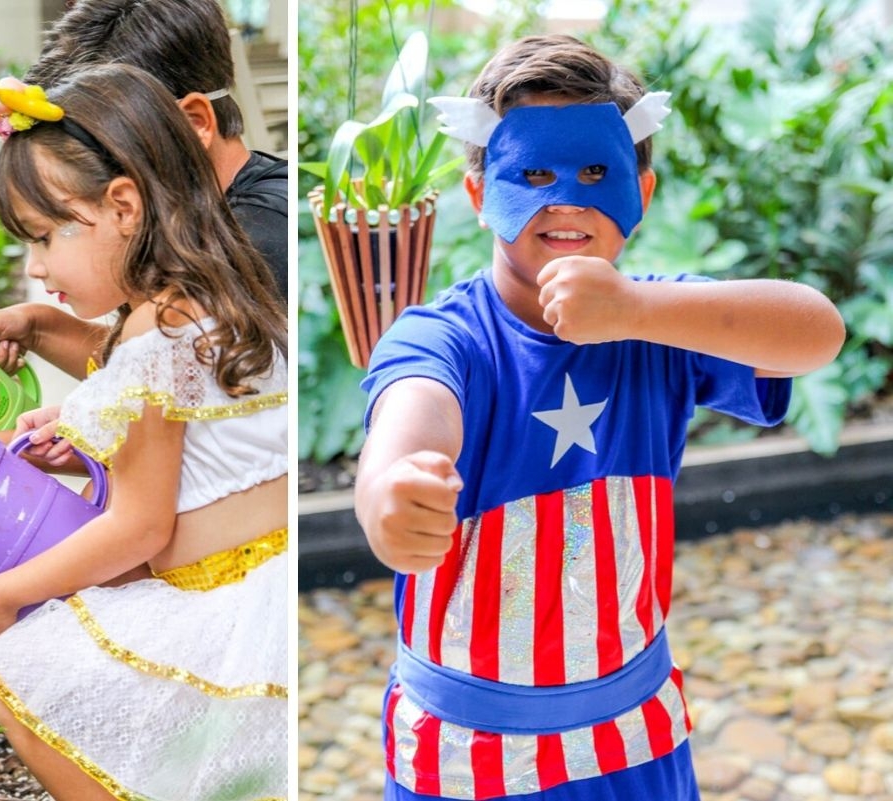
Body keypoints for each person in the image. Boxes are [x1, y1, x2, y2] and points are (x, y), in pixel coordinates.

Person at [353, 34, 844, 800]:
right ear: (479, 195)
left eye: (594, 172)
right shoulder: (445, 339)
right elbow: (407, 421)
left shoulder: (663, 325)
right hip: (468, 760)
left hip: (633, 742)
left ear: (640, 192)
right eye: (532, 173)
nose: (567, 200)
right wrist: (392, 494)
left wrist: (637, 310)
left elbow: (817, 332)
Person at [0, 64, 288, 801]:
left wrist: (1, 594)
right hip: (253, 581)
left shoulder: (156, 335)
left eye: (43, 237)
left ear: (123, 205)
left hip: (233, 602)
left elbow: (138, 526)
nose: (35, 267)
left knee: (25, 670)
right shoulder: (207, 296)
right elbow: (182, 436)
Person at [0, 0, 287, 480]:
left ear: (192, 123)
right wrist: (42, 328)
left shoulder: (256, 242)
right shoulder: (190, 239)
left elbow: (186, 434)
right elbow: (168, 370)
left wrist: (17, 449)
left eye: (93, 147)